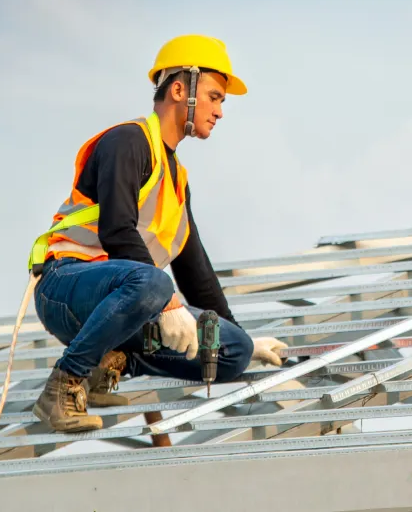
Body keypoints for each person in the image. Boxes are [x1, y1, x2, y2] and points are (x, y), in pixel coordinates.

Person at [26, 35, 289, 432]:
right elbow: (117, 230)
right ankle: (65, 383)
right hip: (66, 288)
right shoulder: (128, 141)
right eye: (215, 97)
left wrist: (248, 342)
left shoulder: (177, 182)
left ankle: (111, 361)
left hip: (126, 306)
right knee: (152, 282)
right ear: (181, 90)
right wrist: (165, 303)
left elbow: (196, 272)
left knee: (229, 351)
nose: (219, 111)